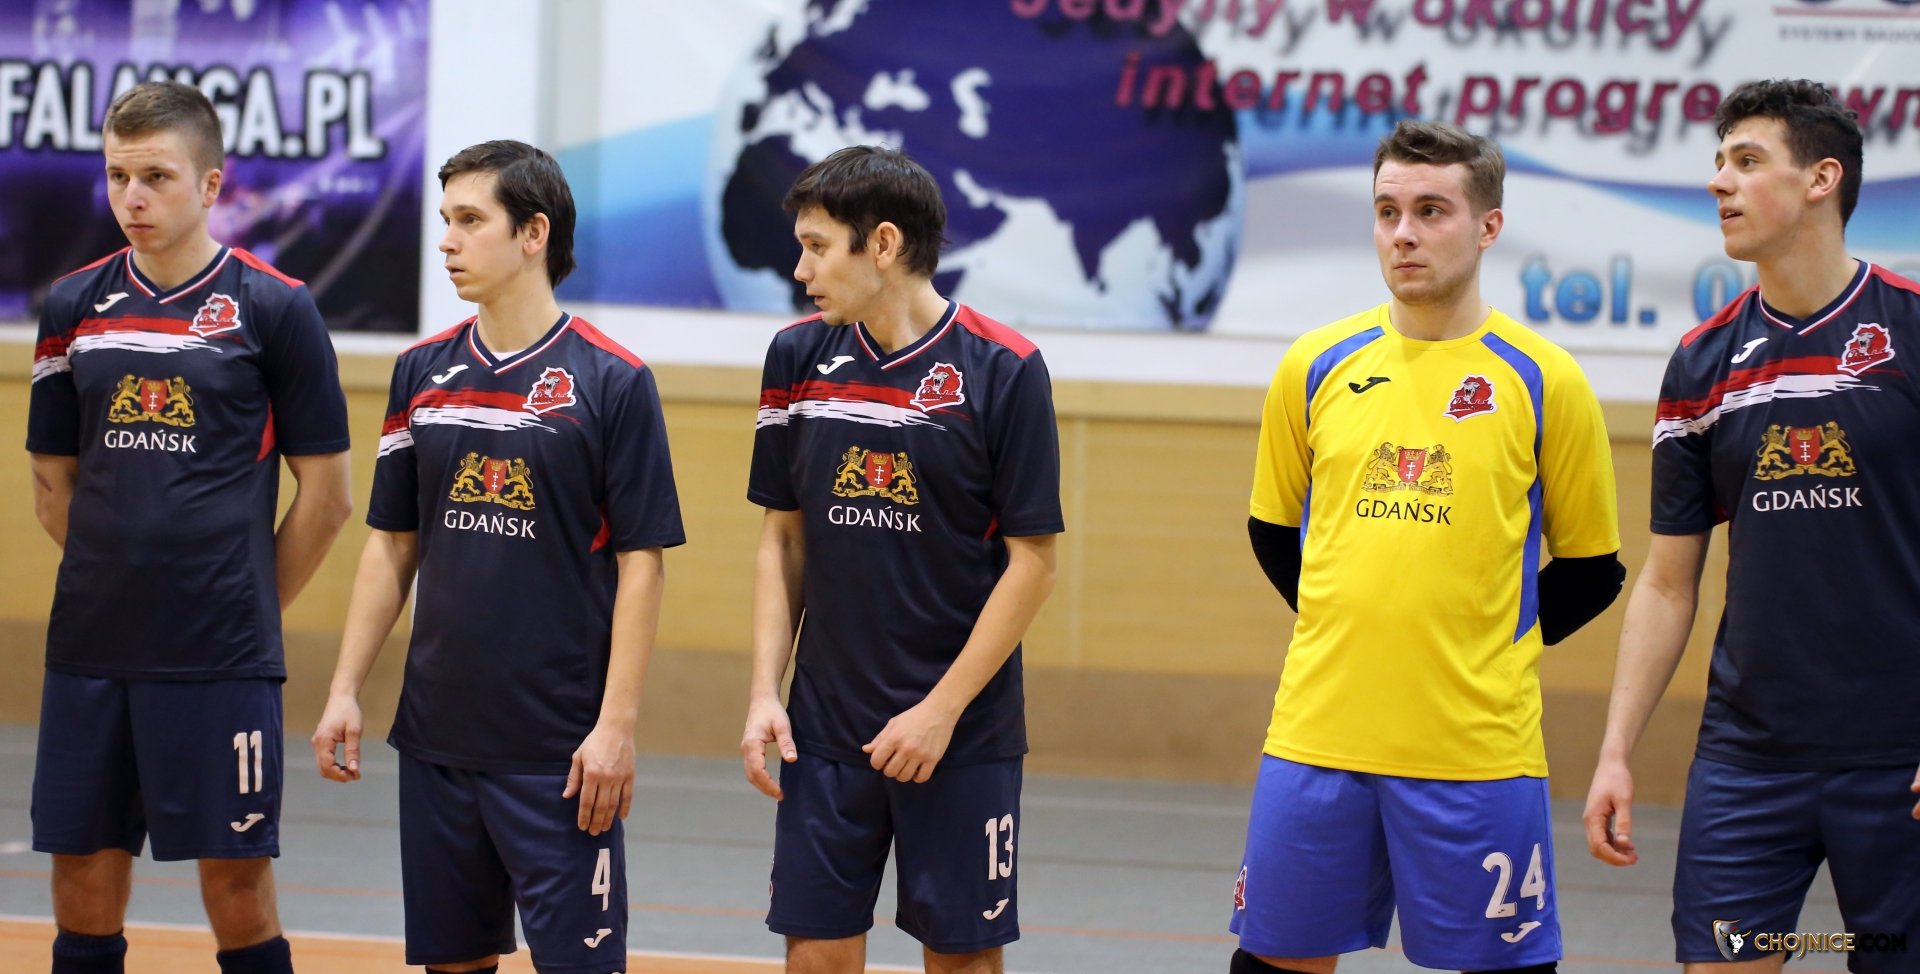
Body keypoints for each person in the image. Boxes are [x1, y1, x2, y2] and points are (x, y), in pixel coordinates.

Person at [1230, 120, 1625, 974]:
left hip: (1476, 751)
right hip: (1315, 740)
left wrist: (1487, 641)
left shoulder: (1545, 379)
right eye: (1388, 211)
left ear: (1488, 226)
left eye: (1431, 211)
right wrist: (1347, 621)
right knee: (1269, 965)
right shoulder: (1315, 364)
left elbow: (1595, 570)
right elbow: (1271, 529)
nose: (1403, 233)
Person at [309, 140, 683, 974]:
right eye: (446, 220)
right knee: (454, 962)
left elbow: (643, 564)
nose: (447, 241)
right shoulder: (420, 373)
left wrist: (615, 727)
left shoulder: (614, 381)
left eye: (470, 221)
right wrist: (343, 690)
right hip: (437, 740)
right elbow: (391, 543)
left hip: (560, 750)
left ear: (533, 234)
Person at [1582, 79, 1920, 972]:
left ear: (1821, 179)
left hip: (1901, 758)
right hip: (1749, 762)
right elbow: (1667, 582)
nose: (1718, 182)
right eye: (1718, 161)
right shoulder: (1703, 363)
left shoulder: (1912, 329)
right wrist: (1615, 752)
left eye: (1746, 160)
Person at [26, 80, 353, 974]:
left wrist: (245, 605)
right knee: (81, 884)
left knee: (237, 894)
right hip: (91, 646)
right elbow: (53, 484)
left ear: (211, 185)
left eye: (156, 177)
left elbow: (327, 497)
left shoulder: (275, 307)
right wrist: (122, 576)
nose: (132, 197)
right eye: (117, 176)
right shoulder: (72, 306)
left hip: (220, 657)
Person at [738, 145, 1062, 974]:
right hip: (825, 728)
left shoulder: (1006, 368)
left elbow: (1033, 563)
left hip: (960, 731)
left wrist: (940, 712)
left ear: (882, 244)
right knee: (814, 954)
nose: (802, 269)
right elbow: (784, 538)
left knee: (961, 959)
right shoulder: (795, 359)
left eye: (818, 247)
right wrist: (765, 692)